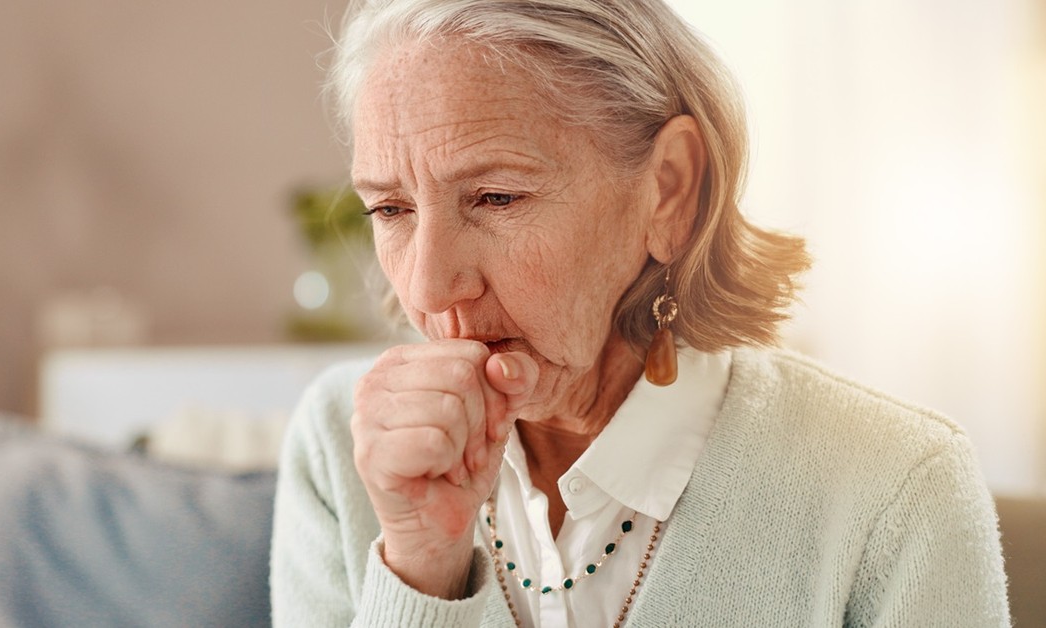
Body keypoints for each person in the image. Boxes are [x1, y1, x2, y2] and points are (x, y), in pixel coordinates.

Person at [271, 0, 1011, 625]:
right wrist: (420, 567)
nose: (428, 289)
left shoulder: (897, 485)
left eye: (496, 197)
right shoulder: (340, 446)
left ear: (669, 191)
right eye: (391, 208)